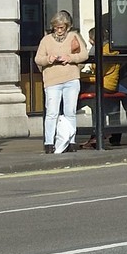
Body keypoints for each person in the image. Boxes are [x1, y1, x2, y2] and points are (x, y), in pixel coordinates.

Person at [35, 10, 87, 155]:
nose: (58, 30)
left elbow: (84, 54)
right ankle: (49, 143)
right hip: (52, 81)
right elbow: (38, 59)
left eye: (61, 27)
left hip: (71, 78)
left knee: (70, 112)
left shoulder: (73, 37)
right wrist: (48, 59)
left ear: (67, 27)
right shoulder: (46, 40)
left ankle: (71, 141)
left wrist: (70, 57)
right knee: (52, 112)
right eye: (56, 27)